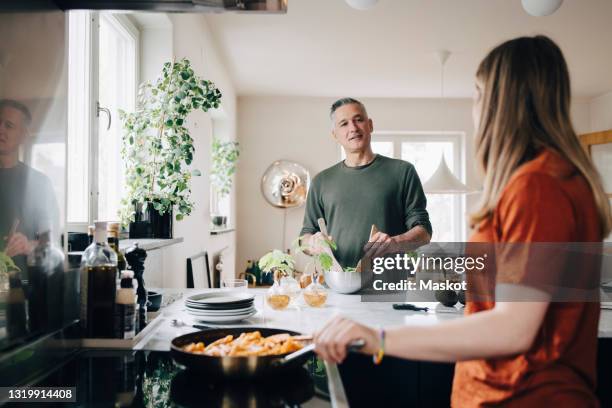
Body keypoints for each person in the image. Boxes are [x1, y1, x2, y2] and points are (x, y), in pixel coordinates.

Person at [313, 36, 611, 407]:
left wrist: (379, 338)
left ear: (502, 102)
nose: (475, 107)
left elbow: (512, 328)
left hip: (521, 395)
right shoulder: (557, 180)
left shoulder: (538, 187)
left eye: (477, 94)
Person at [300, 98, 432, 269]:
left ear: (370, 125)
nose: (353, 128)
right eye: (344, 123)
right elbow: (305, 235)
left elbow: (424, 232)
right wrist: (313, 243)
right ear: (335, 135)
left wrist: (395, 242)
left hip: (387, 288)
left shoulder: (403, 171)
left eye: (358, 120)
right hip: (336, 285)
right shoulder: (321, 181)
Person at [0, 99, 59, 273]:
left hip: (23, 288)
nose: (0, 129)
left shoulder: (40, 184)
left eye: (8, 125)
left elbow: (52, 244)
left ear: (24, 135)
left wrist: (28, 246)